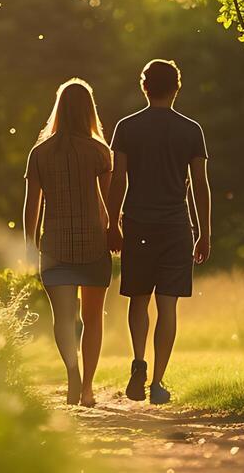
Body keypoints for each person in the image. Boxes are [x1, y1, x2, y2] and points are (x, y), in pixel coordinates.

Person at [106, 59, 210, 405]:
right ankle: (158, 383)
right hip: (176, 226)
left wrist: (112, 224)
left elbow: (118, 179)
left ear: (144, 87)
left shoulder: (126, 127)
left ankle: (139, 362)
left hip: (137, 224)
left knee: (138, 298)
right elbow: (200, 186)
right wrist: (204, 232)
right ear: (177, 87)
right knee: (168, 306)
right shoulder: (191, 130)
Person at [22, 78, 114, 406]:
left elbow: (31, 206)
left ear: (58, 109)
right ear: (89, 111)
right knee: (93, 318)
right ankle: (87, 387)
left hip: (55, 247)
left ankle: (72, 376)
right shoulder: (100, 152)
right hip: (93, 245)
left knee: (63, 318)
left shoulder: (40, 153)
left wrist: (29, 247)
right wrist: (112, 230)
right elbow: (109, 203)